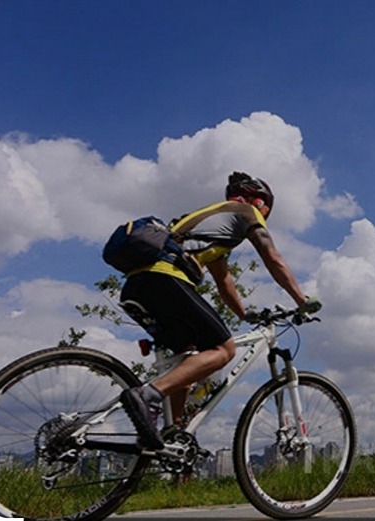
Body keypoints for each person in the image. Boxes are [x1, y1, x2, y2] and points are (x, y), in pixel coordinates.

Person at [119, 171, 320, 450]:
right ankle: (149, 396)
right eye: (266, 208)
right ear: (257, 200)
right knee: (224, 350)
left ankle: (171, 436)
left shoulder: (209, 225)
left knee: (186, 357)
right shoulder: (246, 211)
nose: (264, 215)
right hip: (166, 277)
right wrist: (301, 300)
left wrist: (244, 315)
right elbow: (272, 257)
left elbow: (224, 282)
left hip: (136, 284)